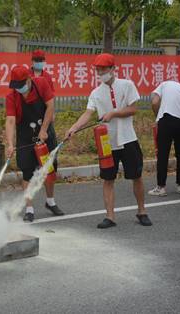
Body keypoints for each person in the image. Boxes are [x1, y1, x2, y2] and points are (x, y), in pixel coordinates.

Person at [66, 53, 152, 228]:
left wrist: (114, 113)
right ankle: (110, 216)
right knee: (108, 179)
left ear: (113, 69)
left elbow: (133, 109)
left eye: (104, 69)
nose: (101, 73)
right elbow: (88, 113)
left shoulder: (127, 85)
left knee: (136, 176)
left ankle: (142, 211)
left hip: (128, 139)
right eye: (98, 70)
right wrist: (74, 127)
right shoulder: (96, 93)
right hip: (106, 142)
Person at [5, 65, 64, 222]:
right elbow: (10, 121)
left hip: (46, 136)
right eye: (16, 86)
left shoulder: (42, 84)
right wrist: (10, 144)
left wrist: (44, 130)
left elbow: (50, 106)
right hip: (25, 138)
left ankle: (50, 201)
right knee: (27, 172)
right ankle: (29, 208)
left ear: (29, 79)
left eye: (21, 85)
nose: (19, 89)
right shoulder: (12, 97)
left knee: (49, 169)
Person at [148, 81, 180, 197]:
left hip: (166, 119)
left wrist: (157, 117)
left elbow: (155, 102)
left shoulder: (162, 85)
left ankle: (161, 187)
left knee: (163, 154)